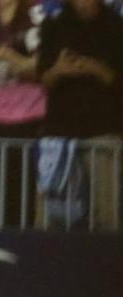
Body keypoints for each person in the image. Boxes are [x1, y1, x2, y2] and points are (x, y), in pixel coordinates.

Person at [36, 0, 123, 229]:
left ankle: (105, 262)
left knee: (106, 215)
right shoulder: (53, 24)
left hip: (103, 132)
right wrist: (59, 70)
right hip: (58, 134)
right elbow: (43, 79)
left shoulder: (116, 25)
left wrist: (98, 70)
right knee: (49, 216)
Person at [0, 0, 46, 228]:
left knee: (24, 201)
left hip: (29, 121)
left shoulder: (34, 18)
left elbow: (46, 67)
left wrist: (14, 61)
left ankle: (24, 254)